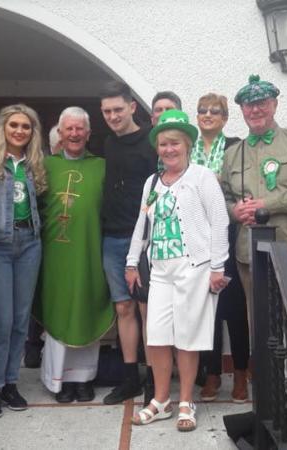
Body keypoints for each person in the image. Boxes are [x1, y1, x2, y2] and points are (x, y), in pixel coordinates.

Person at [126, 109, 229, 432]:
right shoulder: (152, 181)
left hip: (193, 267)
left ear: (186, 144)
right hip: (160, 269)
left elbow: (219, 222)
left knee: (187, 336)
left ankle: (185, 400)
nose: (169, 149)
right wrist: (132, 261)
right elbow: (142, 223)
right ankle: (160, 400)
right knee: (156, 335)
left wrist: (217, 266)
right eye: (163, 144)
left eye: (175, 143)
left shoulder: (201, 177)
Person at [220, 74, 287, 323]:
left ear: (275, 105)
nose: (255, 109)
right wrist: (233, 211)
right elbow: (222, 200)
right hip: (249, 254)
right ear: (242, 110)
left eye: (262, 103)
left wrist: (268, 204)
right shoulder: (233, 154)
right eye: (249, 105)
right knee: (259, 327)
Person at [34, 106, 114, 403]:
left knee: (87, 309)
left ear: (88, 133)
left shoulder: (102, 166)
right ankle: (59, 381)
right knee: (59, 313)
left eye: (80, 129)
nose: (75, 134)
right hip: (55, 255)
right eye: (70, 129)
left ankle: (83, 380)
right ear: (60, 132)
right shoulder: (45, 165)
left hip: (91, 250)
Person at [0, 104, 46, 419]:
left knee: (20, 319)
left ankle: (11, 384)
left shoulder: (34, 164)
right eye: (14, 125)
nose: (19, 131)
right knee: (0, 322)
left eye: (26, 127)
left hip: (30, 243)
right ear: (3, 128)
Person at [99, 81, 158, 405]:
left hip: (144, 241)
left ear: (132, 107)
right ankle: (129, 379)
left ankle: (153, 380)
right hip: (112, 237)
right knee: (122, 307)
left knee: (147, 310)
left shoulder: (151, 142)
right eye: (107, 111)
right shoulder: (106, 143)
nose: (112, 116)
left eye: (118, 109)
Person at [191, 93, 250, 404]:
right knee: (208, 310)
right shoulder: (188, 147)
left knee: (235, 308)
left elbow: (237, 187)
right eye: (203, 111)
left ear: (226, 118)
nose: (208, 115)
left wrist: (209, 181)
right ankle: (212, 373)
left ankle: (241, 373)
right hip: (197, 238)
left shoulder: (236, 147)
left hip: (229, 235)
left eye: (216, 111)